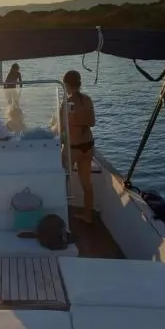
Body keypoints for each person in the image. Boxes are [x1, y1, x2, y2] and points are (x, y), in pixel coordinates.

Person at [61, 70, 96, 224]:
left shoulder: (67, 103)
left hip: (73, 148)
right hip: (88, 147)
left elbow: (63, 127)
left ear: (66, 84)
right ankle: (88, 216)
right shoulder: (87, 99)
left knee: (62, 180)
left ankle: (61, 215)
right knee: (87, 184)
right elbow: (92, 122)